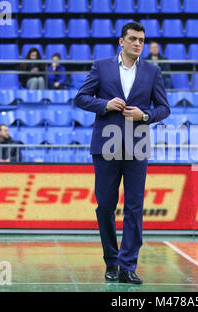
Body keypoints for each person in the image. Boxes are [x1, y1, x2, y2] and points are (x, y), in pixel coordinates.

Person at [74, 22, 170, 284]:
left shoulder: (152, 71)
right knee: (105, 206)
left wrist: (145, 114)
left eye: (141, 39)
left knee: (134, 207)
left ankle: (128, 266)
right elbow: (81, 98)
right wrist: (104, 104)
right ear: (121, 41)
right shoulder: (101, 66)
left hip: (137, 145)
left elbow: (164, 108)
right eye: (133, 39)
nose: (138, 43)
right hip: (105, 145)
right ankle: (111, 261)